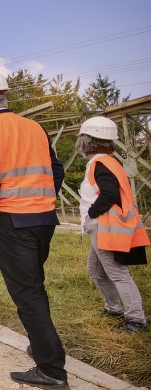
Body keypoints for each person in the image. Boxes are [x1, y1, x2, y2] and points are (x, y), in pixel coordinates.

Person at [0, 71, 69, 390]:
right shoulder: (33, 127)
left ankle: (51, 369)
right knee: (34, 287)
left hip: (12, 221)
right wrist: (43, 200)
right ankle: (42, 349)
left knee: (26, 294)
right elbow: (56, 170)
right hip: (43, 218)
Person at [76, 116, 149, 332]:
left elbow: (108, 194)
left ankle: (136, 319)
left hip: (102, 225)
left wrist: (91, 213)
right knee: (96, 271)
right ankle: (114, 308)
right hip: (101, 226)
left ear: (87, 140)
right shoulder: (106, 162)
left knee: (117, 273)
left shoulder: (99, 164)